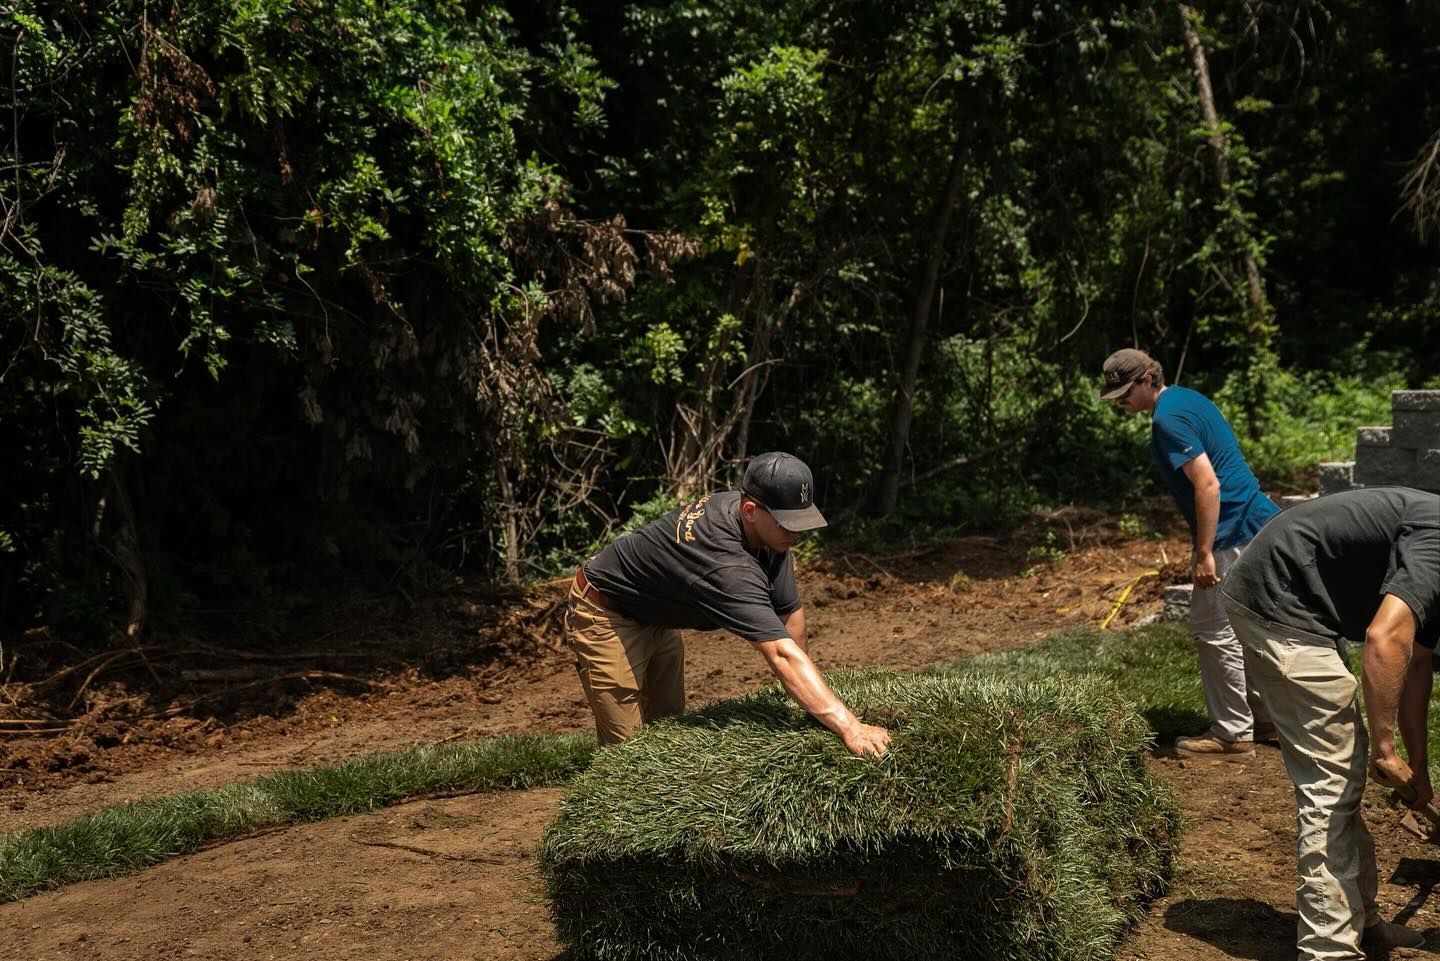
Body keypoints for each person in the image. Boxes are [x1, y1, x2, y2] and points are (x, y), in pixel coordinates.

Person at [1220, 486, 1440, 959]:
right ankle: (1329, 947)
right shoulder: (1439, 543)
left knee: (1342, 769)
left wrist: (1417, 767)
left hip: (1296, 600)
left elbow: (1417, 662)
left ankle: (1358, 918)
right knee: (1332, 781)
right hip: (1276, 602)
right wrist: (1385, 748)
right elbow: (1385, 639)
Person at [562, 451, 890, 757]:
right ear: (749, 511)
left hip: (655, 612)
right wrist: (849, 726)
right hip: (605, 612)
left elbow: (790, 613)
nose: (797, 533)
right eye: (789, 523)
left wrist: (806, 701)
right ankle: (611, 815)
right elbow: (779, 652)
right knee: (627, 751)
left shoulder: (768, 533)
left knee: (667, 729)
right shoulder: (725, 564)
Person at [1100, 348, 1279, 759]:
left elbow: (1208, 485)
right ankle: (1266, 718)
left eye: (1126, 392)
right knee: (1250, 626)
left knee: (1212, 629)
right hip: (1258, 521)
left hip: (1232, 530)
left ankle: (1233, 733)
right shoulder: (1189, 399)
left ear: (1148, 380)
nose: (1122, 401)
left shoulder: (1167, 419)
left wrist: (1203, 552)